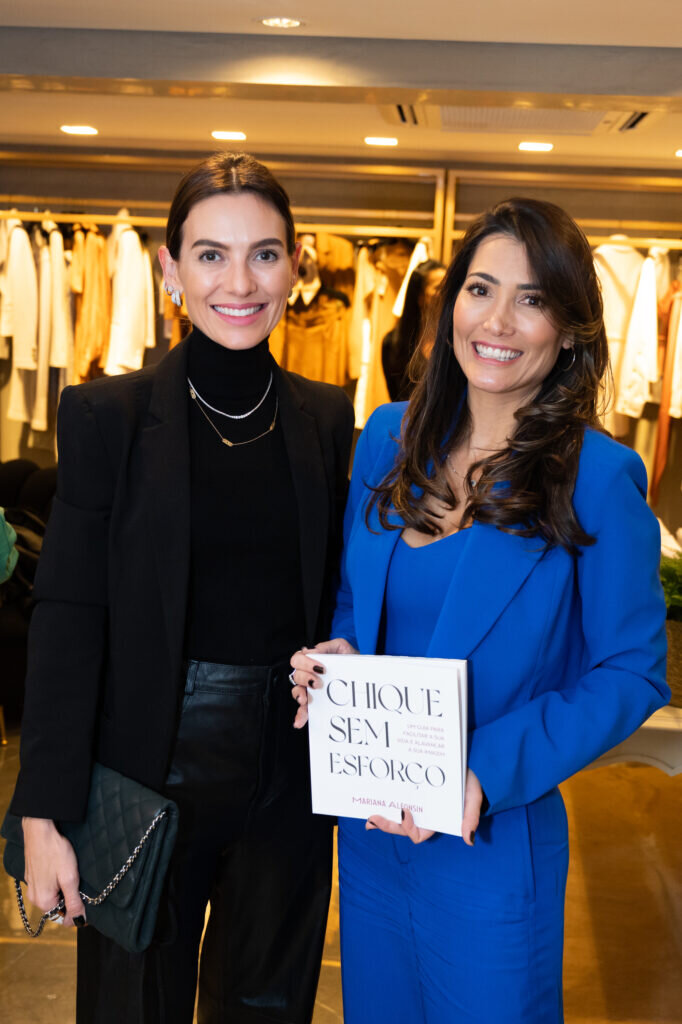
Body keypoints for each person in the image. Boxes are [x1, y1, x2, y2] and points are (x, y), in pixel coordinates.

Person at [290, 197, 669, 1023]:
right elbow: (355, 596)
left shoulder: (598, 478)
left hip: (488, 835)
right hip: (373, 828)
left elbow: (633, 672)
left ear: (569, 330)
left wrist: (486, 769)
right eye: (480, 289)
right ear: (450, 302)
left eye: (532, 299)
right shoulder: (387, 438)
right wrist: (340, 656)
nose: (497, 321)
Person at [9, 152, 355, 1024]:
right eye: (210, 255)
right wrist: (43, 816)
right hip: (142, 774)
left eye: (264, 254)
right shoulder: (108, 417)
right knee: (132, 1006)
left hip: (287, 775)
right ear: (170, 270)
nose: (239, 282)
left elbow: (336, 594)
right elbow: (68, 619)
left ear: (295, 264)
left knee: (266, 1005)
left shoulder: (326, 418)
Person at [381, 258, 445, 401]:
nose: (447, 293)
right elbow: (396, 397)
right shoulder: (392, 344)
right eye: (439, 288)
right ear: (420, 296)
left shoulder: (457, 341)